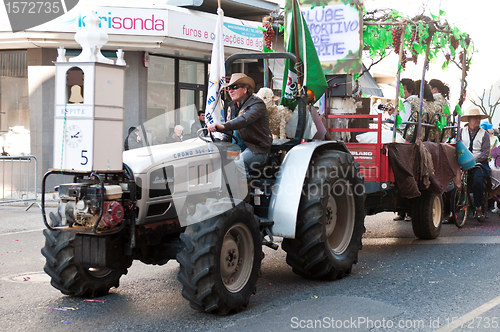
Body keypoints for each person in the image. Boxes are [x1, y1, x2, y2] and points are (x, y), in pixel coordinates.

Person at [207, 73, 272, 177]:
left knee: (238, 163)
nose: (230, 91)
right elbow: (228, 134)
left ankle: (243, 192)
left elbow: (244, 119)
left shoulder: (257, 104)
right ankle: (219, 190)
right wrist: (220, 144)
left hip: (256, 149)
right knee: (213, 159)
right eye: (229, 88)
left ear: (245, 90)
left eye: (234, 87)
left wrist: (223, 126)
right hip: (237, 149)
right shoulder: (232, 107)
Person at [461, 108, 491, 221]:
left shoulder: (485, 134)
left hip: (479, 164)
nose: (478, 120)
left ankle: (478, 207)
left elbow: (485, 153)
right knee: (456, 182)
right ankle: (450, 212)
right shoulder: (461, 132)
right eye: (475, 118)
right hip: (463, 162)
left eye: (479, 118)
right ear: (469, 119)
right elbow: (457, 146)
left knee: (478, 181)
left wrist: (474, 161)